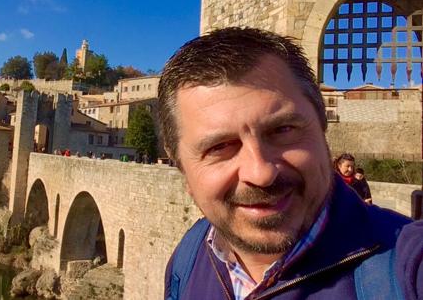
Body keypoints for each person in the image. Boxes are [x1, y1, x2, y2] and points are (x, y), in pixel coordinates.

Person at [159, 27, 422, 300]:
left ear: (322, 126)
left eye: (283, 130)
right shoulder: (188, 257)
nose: (260, 173)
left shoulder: (406, 271)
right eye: (220, 147)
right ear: (183, 170)